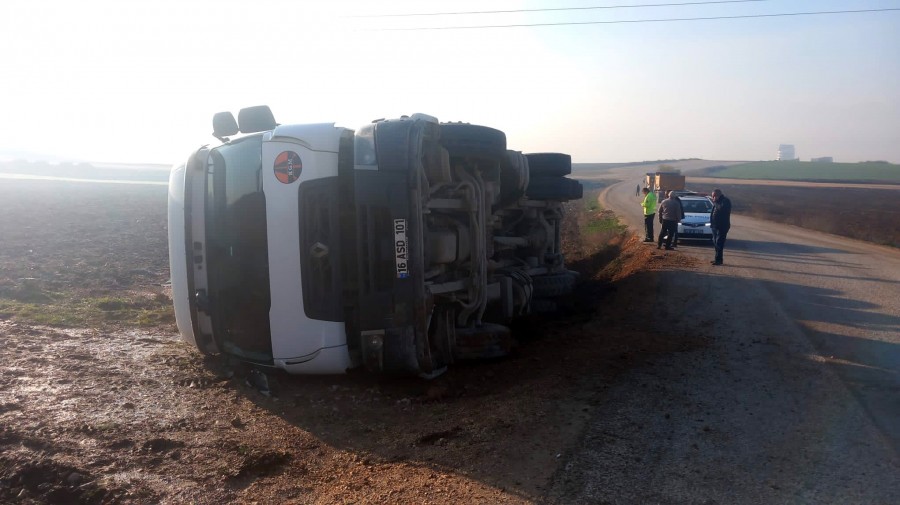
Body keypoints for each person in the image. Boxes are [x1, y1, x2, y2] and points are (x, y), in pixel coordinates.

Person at [709, 188, 732, 265]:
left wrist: (715, 202)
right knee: (715, 242)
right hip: (715, 226)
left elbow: (721, 209)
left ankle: (719, 260)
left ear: (717, 195)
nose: (712, 198)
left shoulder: (725, 201)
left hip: (722, 226)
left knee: (719, 243)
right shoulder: (718, 202)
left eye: (713, 196)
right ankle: (717, 258)